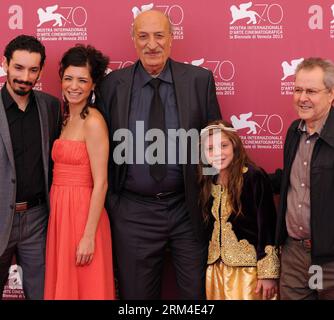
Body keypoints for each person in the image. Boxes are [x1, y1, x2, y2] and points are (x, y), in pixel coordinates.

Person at [98, 9, 221, 299]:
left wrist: (209, 201)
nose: (151, 44)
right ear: (133, 40)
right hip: (132, 212)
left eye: (159, 35)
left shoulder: (199, 80)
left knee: (196, 298)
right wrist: (114, 205)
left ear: (171, 39)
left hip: (187, 210)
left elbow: (215, 144)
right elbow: (99, 148)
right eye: (143, 36)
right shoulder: (112, 84)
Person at [44, 44, 115, 299]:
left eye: (82, 80)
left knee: (87, 287)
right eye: (68, 78)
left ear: (93, 85)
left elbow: (102, 183)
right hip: (60, 214)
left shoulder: (93, 122)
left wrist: (88, 236)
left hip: (84, 216)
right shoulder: (65, 118)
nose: (74, 86)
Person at [0, 35, 61, 299]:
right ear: (5, 64)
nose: (25, 77)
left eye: (33, 70)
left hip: (38, 219)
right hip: (1, 214)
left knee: (42, 293)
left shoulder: (50, 106)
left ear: (41, 70)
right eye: (18, 68)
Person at [198, 120, 279, 300]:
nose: (218, 153)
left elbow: (267, 225)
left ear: (234, 145)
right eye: (210, 149)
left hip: (248, 272)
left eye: (223, 145)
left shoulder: (253, 176)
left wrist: (268, 273)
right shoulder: (208, 181)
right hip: (216, 271)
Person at [274, 57, 334, 300]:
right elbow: (290, 180)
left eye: (311, 91)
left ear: (331, 95)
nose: (302, 97)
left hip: (330, 261)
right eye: (298, 90)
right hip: (294, 257)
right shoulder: (293, 131)